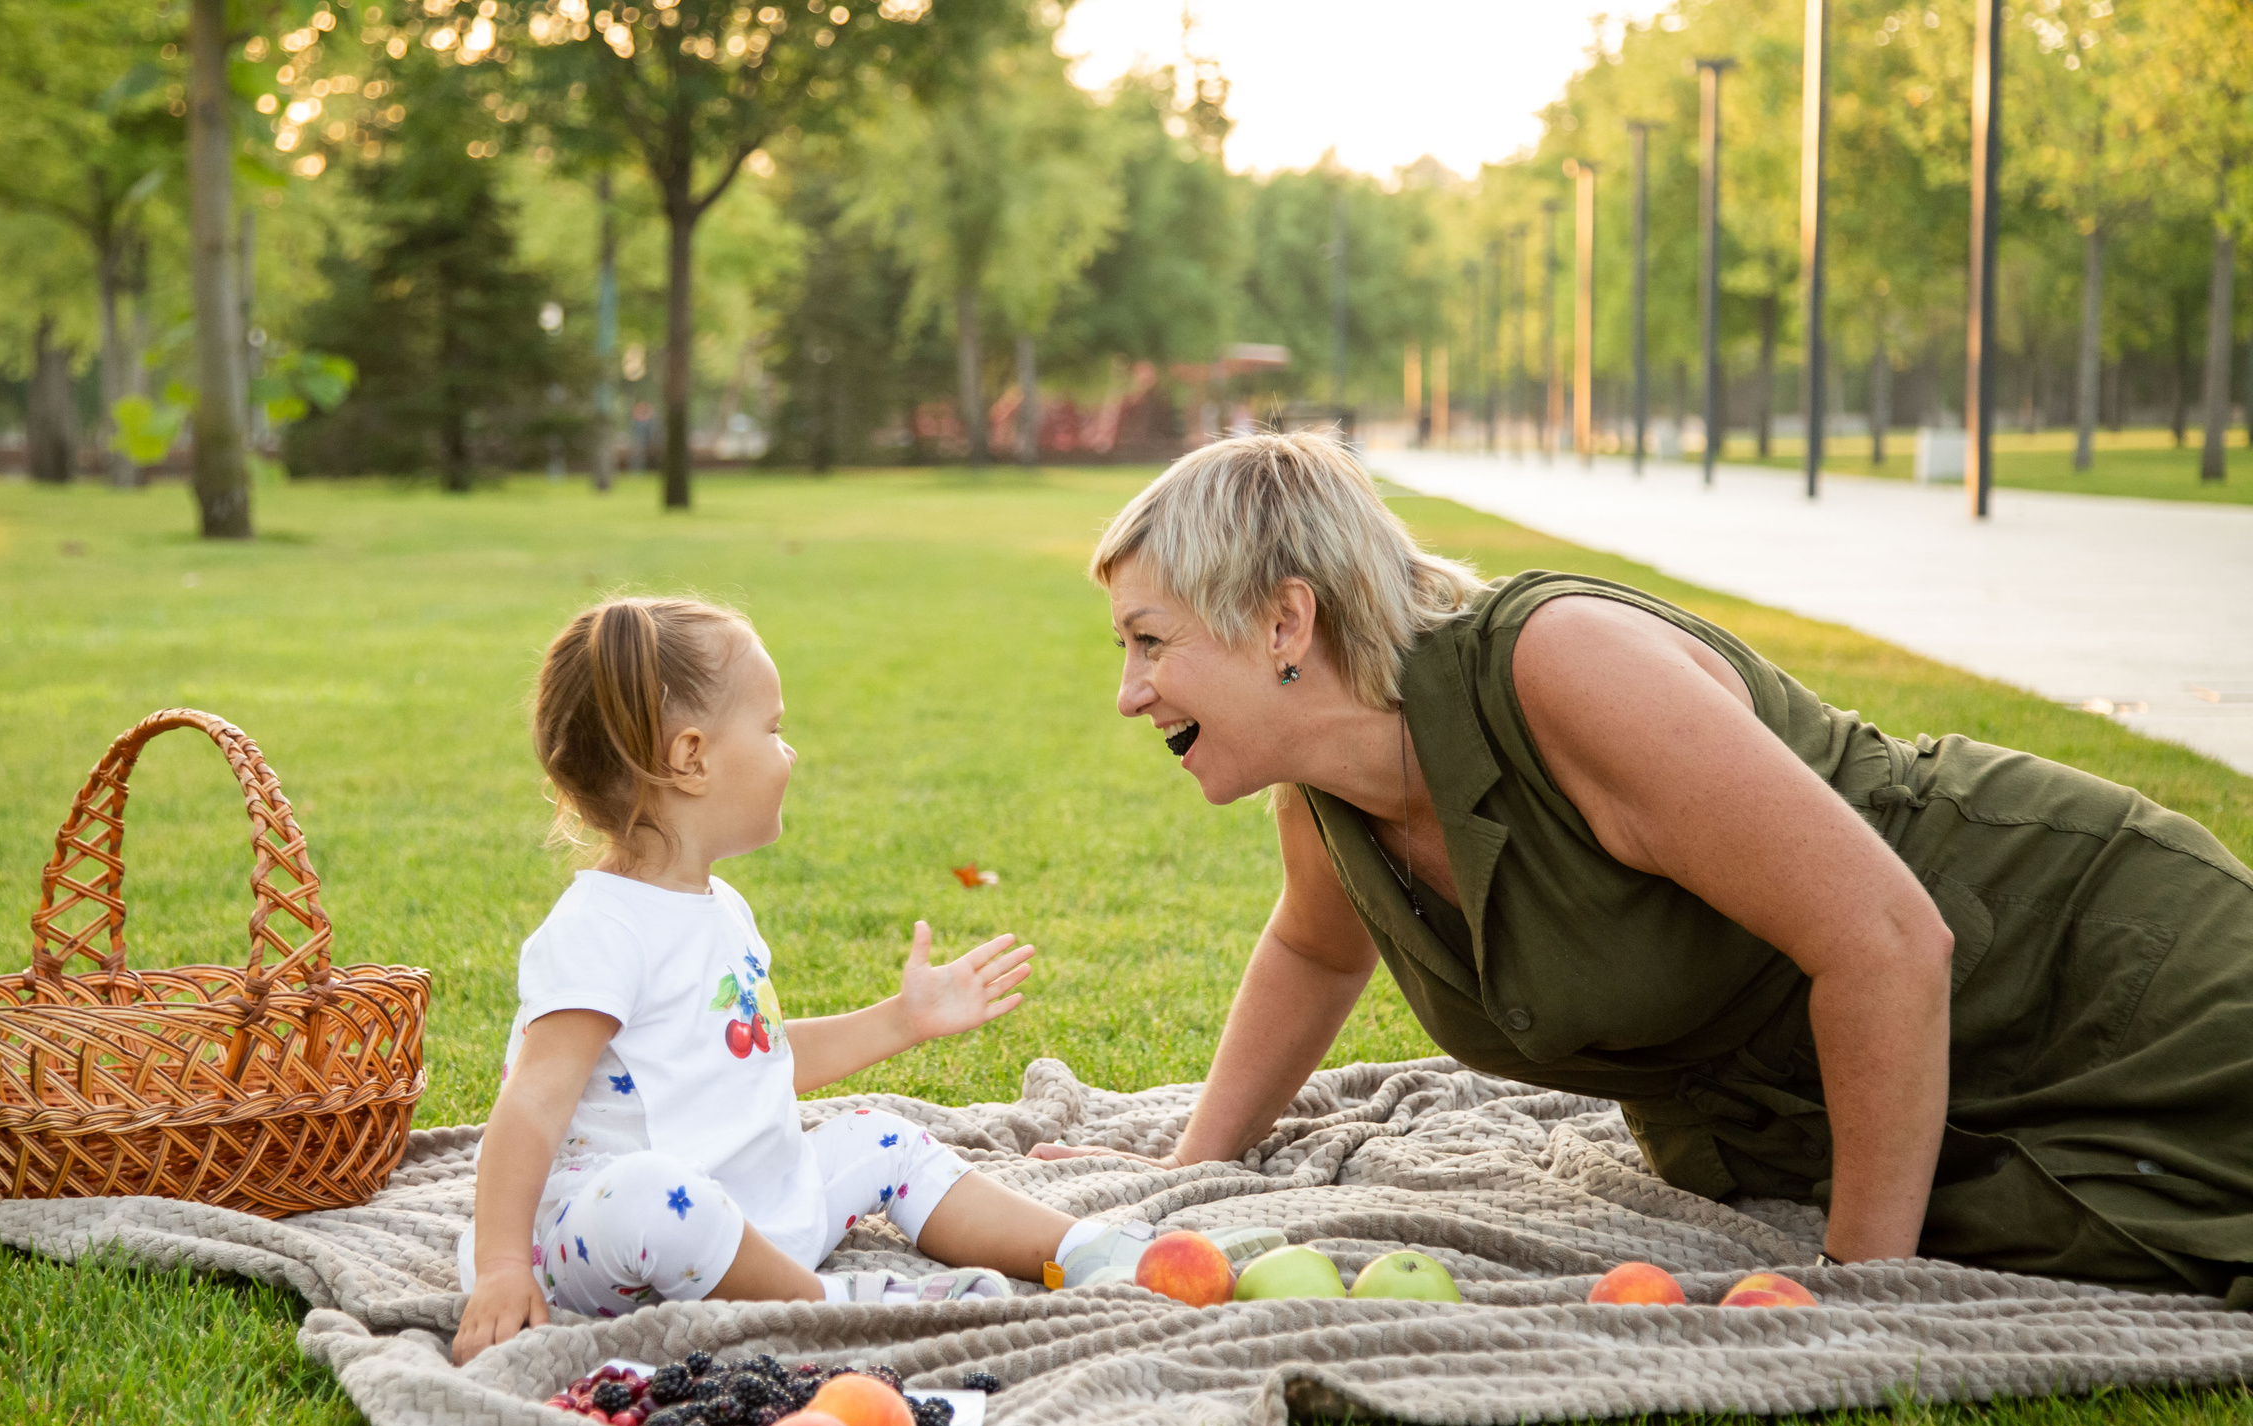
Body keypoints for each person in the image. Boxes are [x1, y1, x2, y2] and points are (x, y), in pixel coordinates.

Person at [1036, 431, 2253, 1307]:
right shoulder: (1329, 793)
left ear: (1285, 623)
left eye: (1151, 643)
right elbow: (1311, 948)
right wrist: (1188, 1170)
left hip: (2081, 968)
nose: (1128, 691)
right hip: (1860, 1098)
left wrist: (1863, 1295)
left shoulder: (1561, 667)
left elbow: (1888, 939)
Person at [452, 596, 1264, 1364]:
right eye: (772, 729)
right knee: (650, 1191)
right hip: (609, 1247)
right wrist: (499, 1268)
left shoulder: (718, 906)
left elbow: (749, 1063)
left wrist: (902, 1019)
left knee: (883, 1136)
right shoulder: (599, 929)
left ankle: (1075, 1248)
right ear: (691, 757)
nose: (790, 750)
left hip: (748, 1210)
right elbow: (530, 1105)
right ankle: (826, 1304)